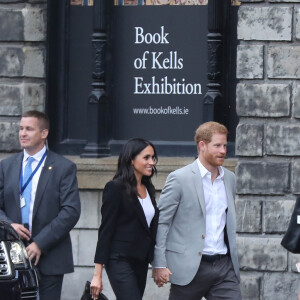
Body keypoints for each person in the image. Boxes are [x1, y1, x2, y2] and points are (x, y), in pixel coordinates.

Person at [152, 121, 241, 300]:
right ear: (202, 145)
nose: (223, 151)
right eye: (217, 145)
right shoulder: (179, 179)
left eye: (224, 145)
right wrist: (159, 263)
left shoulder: (229, 178)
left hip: (224, 267)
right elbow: (162, 222)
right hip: (189, 268)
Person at [0, 110, 81, 300]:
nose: (22, 133)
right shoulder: (6, 166)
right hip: (12, 255)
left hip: (49, 256)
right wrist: (9, 226)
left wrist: (40, 244)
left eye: (29, 129)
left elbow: (71, 211)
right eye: (20, 129)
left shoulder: (63, 167)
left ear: (44, 133)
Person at [90, 138, 159, 300]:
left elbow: (150, 229)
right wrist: (97, 275)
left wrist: (158, 262)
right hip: (119, 259)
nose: (152, 162)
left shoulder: (148, 188)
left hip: (140, 260)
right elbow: (106, 231)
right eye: (146, 157)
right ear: (131, 160)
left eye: (153, 158)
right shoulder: (115, 188)